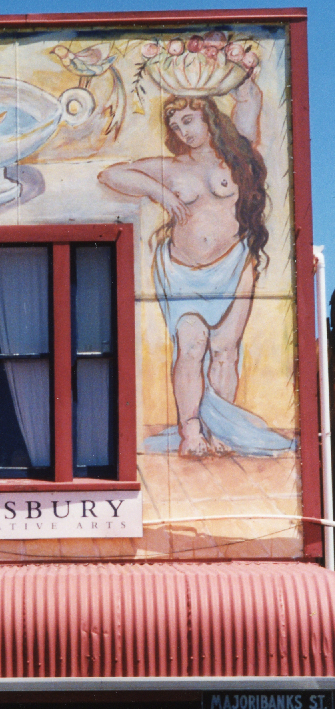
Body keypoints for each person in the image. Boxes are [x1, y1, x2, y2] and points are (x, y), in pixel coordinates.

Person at [98, 75, 292, 457]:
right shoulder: (171, 167)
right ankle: (191, 430)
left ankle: (221, 430)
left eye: (188, 120)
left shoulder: (237, 155)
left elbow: (249, 97)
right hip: (182, 269)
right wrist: (160, 191)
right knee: (190, 346)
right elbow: (111, 174)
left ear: (208, 120)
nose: (181, 130)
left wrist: (233, 73)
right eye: (174, 125)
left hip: (234, 265)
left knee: (225, 351)